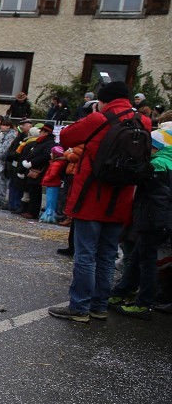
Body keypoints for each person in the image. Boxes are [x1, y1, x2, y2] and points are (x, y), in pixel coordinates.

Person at [48, 81, 152, 323]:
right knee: (106, 256)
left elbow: (65, 137)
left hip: (91, 198)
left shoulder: (99, 119)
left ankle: (80, 307)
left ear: (104, 100)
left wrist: (94, 114)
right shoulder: (143, 122)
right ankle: (99, 306)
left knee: (85, 255)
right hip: (121, 200)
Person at [106, 125, 171, 319]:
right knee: (136, 257)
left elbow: (137, 176)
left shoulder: (158, 163)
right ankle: (121, 292)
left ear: (156, 147)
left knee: (147, 262)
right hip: (160, 219)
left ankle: (143, 304)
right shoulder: (167, 161)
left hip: (155, 219)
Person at [40, 146, 67, 223]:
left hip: (52, 184)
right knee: (51, 200)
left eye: (52, 153)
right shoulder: (57, 163)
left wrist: (45, 179)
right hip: (53, 183)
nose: (50, 154)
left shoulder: (56, 164)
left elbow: (52, 174)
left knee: (50, 201)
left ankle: (49, 216)